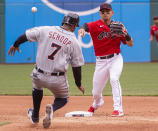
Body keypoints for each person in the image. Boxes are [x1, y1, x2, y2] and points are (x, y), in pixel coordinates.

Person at [8, 13, 85, 128]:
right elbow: (76, 66)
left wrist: (15, 44)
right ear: (74, 26)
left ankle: (35, 116)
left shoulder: (46, 29)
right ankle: (52, 110)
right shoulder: (74, 42)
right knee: (63, 99)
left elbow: (26, 35)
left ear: (63, 22)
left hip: (39, 74)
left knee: (37, 87)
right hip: (57, 79)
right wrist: (78, 84)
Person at [78, 3, 133, 117]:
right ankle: (97, 103)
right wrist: (82, 29)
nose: (105, 14)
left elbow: (130, 43)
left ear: (112, 13)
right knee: (96, 92)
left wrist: (126, 34)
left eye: (107, 12)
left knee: (114, 79)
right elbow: (86, 26)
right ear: (100, 14)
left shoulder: (118, 26)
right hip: (100, 62)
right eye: (103, 12)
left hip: (115, 59)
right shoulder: (95, 25)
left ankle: (118, 109)